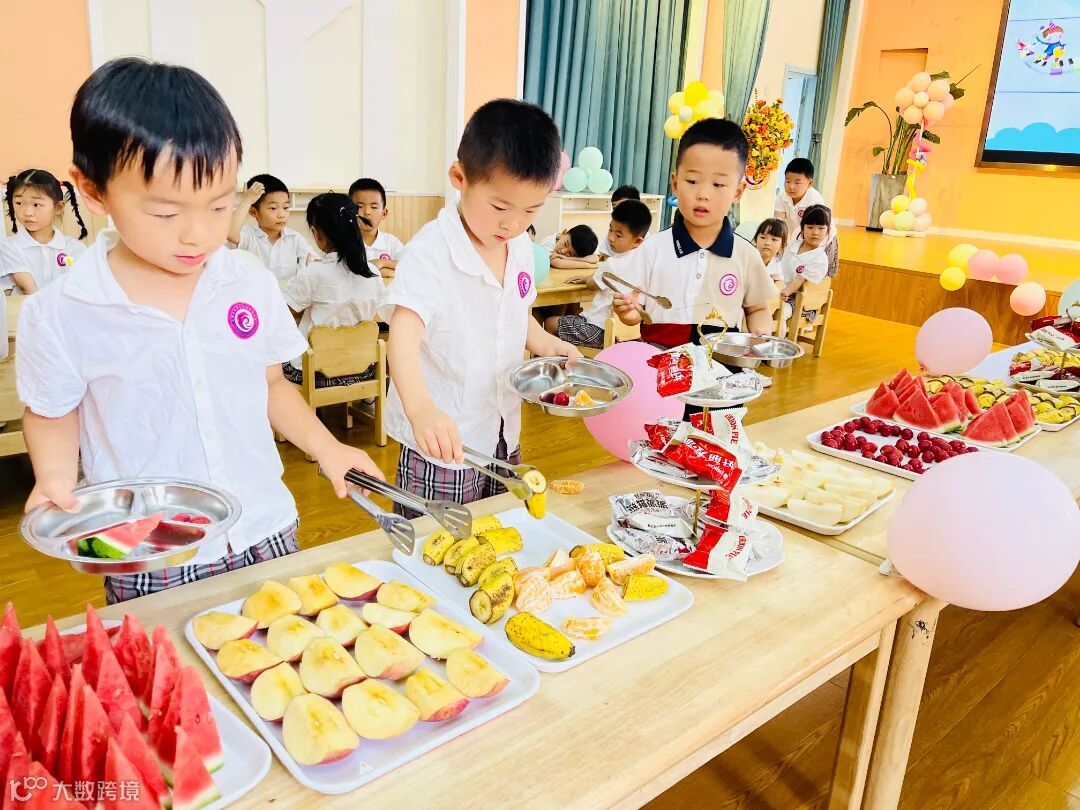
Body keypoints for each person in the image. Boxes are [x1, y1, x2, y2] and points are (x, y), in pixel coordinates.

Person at [16, 57, 382, 603]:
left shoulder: (247, 281)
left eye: (218, 206)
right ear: (93, 191)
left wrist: (328, 447)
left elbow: (271, 385)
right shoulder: (61, 311)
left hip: (263, 524)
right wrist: (53, 477)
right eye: (166, 213)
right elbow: (51, 411)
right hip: (151, 548)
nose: (197, 235)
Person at [382, 98, 580, 515]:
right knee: (436, 538)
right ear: (460, 177)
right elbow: (401, 338)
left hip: (501, 429)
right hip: (442, 439)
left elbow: (515, 312)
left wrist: (545, 343)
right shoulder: (430, 252)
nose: (513, 223)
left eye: (531, 210)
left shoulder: (519, 246)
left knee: (498, 527)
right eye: (500, 207)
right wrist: (420, 408)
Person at [612, 118, 775, 347]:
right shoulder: (652, 248)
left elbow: (757, 309)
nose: (703, 194)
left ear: (737, 192)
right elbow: (636, 308)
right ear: (675, 183)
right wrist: (629, 313)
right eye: (692, 181)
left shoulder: (745, 254)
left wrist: (761, 332)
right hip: (659, 358)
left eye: (718, 184)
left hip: (720, 360)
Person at [282, 193, 385, 386]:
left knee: (275, 359)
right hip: (362, 370)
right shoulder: (373, 273)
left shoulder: (313, 273)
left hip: (315, 374)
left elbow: (282, 313)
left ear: (316, 234)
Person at [545, 199, 652, 349]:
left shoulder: (613, 263)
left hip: (600, 330)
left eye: (618, 235)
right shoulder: (645, 264)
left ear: (637, 241)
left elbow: (592, 285)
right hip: (627, 336)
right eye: (610, 230)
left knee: (550, 323)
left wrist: (587, 279)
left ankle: (554, 361)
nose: (611, 238)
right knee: (573, 314)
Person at [1, 169, 89, 295]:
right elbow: (28, 289)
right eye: (19, 203)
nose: (27, 212)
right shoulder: (8, 247)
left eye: (37, 205)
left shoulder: (74, 248)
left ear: (58, 207)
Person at [228, 173, 315, 281]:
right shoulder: (248, 235)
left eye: (286, 207)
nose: (281, 215)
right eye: (273, 208)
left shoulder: (295, 239)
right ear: (253, 212)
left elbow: (315, 264)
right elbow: (230, 233)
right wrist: (247, 200)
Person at [774, 157, 838, 277]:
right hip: (800, 236)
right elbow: (779, 224)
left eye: (797, 183)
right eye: (788, 181)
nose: (791, 186)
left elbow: (812, 228)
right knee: (793, 269)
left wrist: (792, 247)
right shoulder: (781, 197)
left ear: (809, 183)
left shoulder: (814, 200)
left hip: (820, 236)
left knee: (814, 272)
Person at [778, 203, 832, 331]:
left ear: (827, 231)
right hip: (780, 290)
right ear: (802, 229)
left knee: (780, 313)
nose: (815, 232)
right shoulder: (791, 245)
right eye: (810, 227)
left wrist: (784, 293)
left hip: (799, 300)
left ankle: (778, 342)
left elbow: (799, 280)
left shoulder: (820, 259)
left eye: (821, 228)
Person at [348, 177, 404, 280]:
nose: (367, 212)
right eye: (359, 207)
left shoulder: (391, 243)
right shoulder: (342, 242)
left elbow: (410, 267)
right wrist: (380, 271)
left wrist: (382, 263)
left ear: (384, 213)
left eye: (373, 207)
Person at [600, 185, 642, 255]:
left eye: (622, 207)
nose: (617, 212)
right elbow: (604, 255)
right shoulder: (613, 231)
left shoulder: (644, 237)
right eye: (614, 208)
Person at [753, 217, 788, 282]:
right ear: (756, 239)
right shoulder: (748, 257)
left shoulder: (777, 264)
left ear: (782, 245)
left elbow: (779, 281)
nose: (767, 243)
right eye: (763, 237)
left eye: (774, 239)